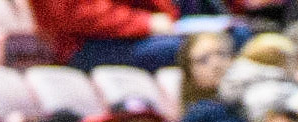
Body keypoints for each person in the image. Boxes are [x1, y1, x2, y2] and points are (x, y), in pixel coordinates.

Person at [29, 0, 185, 73]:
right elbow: (75, 16)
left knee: (197, 43)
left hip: (128, 32)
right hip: (81, 45)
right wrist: (145, 23)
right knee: (185, 50)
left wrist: (164, 16)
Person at [175, 26, 235, 110]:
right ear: (189, 72)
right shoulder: (195, 115)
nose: (216, 64)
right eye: (203, 60)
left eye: (221, 54)